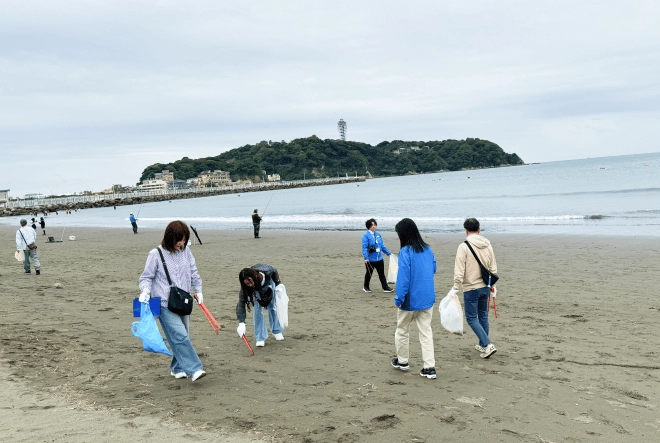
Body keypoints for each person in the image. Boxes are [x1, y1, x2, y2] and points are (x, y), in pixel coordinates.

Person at [138, 220, 206, 381]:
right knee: (180, 335)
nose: (181, 243)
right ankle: (195, 369)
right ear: (169, 238)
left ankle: (177, 368)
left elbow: (194, 272)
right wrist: (145, 291)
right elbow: (146, 277)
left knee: (181, 336)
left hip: (183, 301)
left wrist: (199, 290)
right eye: (178, 240)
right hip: (163, 303)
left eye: (184, 240)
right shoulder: (155, 254)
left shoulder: (186, 251)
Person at [391, 218, 437, 379]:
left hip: (410, 300)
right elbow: (434, 268)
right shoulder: (427, 249)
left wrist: (398, 299)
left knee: (402, 330)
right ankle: (429, 367)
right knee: (426, 332)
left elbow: (403, 278)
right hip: (427, 297)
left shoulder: (405, 252)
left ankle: (402, 361)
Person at [452, 218, 498, 359]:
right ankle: (483, 344)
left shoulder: (463, 246)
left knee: (471, 318)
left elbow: (459, 270)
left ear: (466, 231)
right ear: (479, 230)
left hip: (471, 287)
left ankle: (487, 344)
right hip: (485, 286)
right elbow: (493, 268)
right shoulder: (487, 245)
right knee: (483, 315)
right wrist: (493, 286)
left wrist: (456, 286)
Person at [236, 264, 284, 347]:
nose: (249, 285)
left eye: (250, 282)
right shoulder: (246, 288)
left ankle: (277, 330)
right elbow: (241, 303)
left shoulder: (267, 271)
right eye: (247, 283)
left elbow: (274, 270)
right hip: (255, 290)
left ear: (255, 276)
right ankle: (260, 337)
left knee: (273, 306)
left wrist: (278, 283)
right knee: (257, 310)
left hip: (268, 284)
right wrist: (241, 323)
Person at [361, 218, 393, 293]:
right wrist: (366, 258)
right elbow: (364, 248)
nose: (374, 226)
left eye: (375, 225)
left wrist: (388, 253)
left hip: (379, 258)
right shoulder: (365, 236)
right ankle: (366, 287)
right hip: (370, 259)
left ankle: (385, 287)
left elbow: (382, 246)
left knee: (381, 274)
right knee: (369, 273)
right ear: (369, 226)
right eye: (372, 225)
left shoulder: (378, 234)